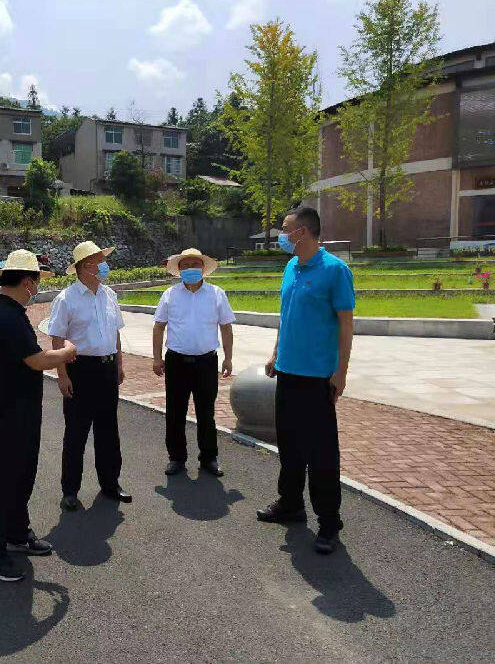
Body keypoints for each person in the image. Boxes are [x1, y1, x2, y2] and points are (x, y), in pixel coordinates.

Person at [256, 206, 355, 555]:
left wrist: (340, 371)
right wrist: (275, 353)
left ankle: (329, 521)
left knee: (322, 453)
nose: (281, 235)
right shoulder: (290, 267)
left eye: (286, 229)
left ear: (305, 232)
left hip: (317, 379)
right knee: (290, 445)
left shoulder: (335, 271)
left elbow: (346, 324)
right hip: (288, 373)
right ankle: (291, 504)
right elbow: (287, 317)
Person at [0, 250, 77, 582]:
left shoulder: (9, 311)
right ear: (26, 282)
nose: (36, 288)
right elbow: (35, 360)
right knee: (3, 483)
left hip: (19, 410)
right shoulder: (5, 315)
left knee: (22, 477)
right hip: (8, 413)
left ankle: (16, 535)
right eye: (35, 281)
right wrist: (65, 353)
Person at [48, 241, 130, 511]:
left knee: (109, 430)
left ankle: (110, 484)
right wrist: (62, 375)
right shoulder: (66, 298)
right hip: (79, 369)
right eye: (96, 261)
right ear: (84, 267)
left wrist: (119, 364)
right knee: (76, 432)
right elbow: (57, 338)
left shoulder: (109, 295)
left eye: (101, 259)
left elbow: (115, 332)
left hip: (106, 368)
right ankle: (70, 490)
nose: (103, 265)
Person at [152, 248, 235, 477]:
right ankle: (176, 457)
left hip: (206, 362)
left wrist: (228, 357)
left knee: (206, 412)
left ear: (203, 268)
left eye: (194, 264)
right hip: (176, 361)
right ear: (178, 270)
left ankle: (209, 457)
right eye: (185, 265)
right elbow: (159, 327)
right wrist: (157, 358)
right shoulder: (169, 295)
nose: (190, 269)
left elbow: (226, 327)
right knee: (175, 411)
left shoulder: (217, 294)